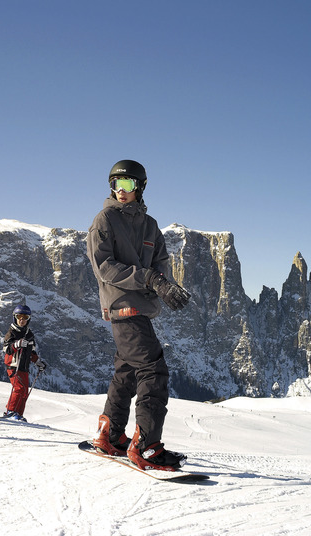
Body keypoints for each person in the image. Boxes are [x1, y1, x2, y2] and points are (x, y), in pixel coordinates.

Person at [86, 160, 192, 471]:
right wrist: (147, 279)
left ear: (140, 187)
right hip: (122, 306)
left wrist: (162, 283)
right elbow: (104, 267)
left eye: (128, 185)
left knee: (128, 371)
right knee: (153, 370)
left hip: (142, 310)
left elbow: (159, 263)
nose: (121, 190)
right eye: (116, 184)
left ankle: (110, 434)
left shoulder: (150, 226)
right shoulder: (104, 220)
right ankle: (146, 445)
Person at [2, 304, 46, 422]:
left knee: (24, 391)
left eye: (25, 317)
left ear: (28, 319)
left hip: (24, 366)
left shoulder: (29, 334)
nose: (22, 320)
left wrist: (38, 362)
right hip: (14, 365)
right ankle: (10, 411)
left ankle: (19, 414)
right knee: (19, 388)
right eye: (19, 317)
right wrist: (17, 344)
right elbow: (7, 349)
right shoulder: (12, 332)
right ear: (15, 317)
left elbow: (31, 352)